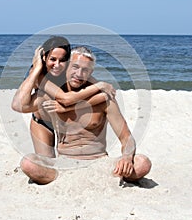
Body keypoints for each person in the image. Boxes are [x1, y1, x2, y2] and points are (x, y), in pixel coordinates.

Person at [20, 46, 152, 185]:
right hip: (64, 164)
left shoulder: (104, 100)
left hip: (100, 163)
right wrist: (36, 67)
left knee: (143, 163)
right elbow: (23, 105)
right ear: (65, 68)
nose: (79, 74)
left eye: (85, 70)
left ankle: (107, 175)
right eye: (75, 67)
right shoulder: (54, 96)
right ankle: (59, 178)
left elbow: (127, 138)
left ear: (91, 72)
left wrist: (126, 157)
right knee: (28, 163)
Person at [12, 36, 116, 158]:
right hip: (43, 122)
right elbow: (18, 105)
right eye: (52, 59)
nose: (57, 65)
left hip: (62, 121)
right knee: (47, 164)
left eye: (62, 60)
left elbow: (104, 95)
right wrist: (37, 67)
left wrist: (97, 87)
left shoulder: (70, 70)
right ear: (44, 58)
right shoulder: (39, 75)